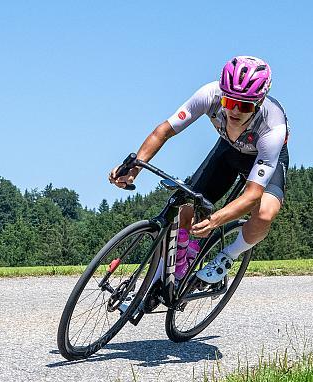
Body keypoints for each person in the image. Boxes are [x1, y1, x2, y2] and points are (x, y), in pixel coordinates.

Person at [109, 55, 289, 284]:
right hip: (228, 150)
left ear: (259, 103)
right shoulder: (208, 95)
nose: (234, 111)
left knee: (265, 213)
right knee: (185, 205)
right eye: (228, 102)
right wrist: (133, 168)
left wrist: (215, 221)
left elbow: (252, 195)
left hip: (262, 157)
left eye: (243, 106)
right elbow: (163, 131)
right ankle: (176, 265)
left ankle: (227, 256)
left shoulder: (273, 126)